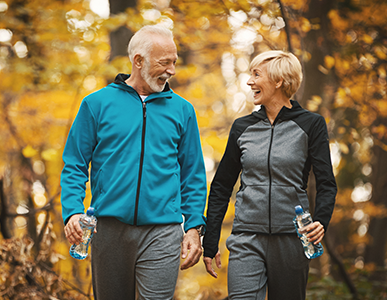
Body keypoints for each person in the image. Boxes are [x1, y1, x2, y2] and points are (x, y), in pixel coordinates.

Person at [61, 25, 207, 300]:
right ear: (138, 61)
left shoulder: (183, 110)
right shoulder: (96, 104)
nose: (172, 70)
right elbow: (75, 164)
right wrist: (72, 211)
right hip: (108, 227)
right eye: (165, 63)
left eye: (174, 62)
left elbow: (193, 176)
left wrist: (194, 228)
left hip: (163, 230)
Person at [202, 50, 337, 299]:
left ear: (278, 81)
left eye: (256, 74)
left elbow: (327, 183)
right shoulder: (242, 127)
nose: (250, 81)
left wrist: (321, 221)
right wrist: (210, 241)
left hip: (293, 239)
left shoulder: (311, 124)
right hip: (246, 237)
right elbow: (221, 186)